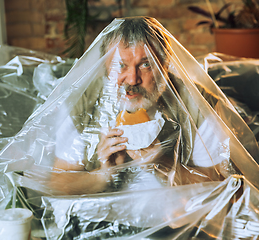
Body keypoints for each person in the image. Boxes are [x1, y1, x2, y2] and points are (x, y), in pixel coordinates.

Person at [49, 16, 229, 195]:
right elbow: (59, 183)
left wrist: (162, 163)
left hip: (176, 220)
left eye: (145, 65)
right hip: (103, 219)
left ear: (165, 65)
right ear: (105, 66)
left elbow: (217, 185)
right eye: (121, 65)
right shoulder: (82, 103)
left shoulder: (197, 105)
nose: (132, 79)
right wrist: (104, 174)